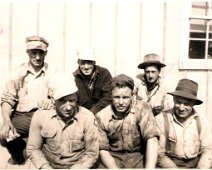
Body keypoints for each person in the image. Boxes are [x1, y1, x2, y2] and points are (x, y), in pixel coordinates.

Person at [26, 73, 99, 169]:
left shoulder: (87, 117)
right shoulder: (40, 116)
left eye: (72, 100)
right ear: (52, 100)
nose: (68, 107)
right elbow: (33, 149)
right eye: (62, 101)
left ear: (77, 97)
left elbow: (92, 153)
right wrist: (45, 167)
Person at [0, 36, 53, 165]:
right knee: (4, 136)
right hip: (23, 116)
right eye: (34, 53)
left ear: (45, 53)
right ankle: (20, 154)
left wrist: (52, 100)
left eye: (41, 53)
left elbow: (62, 95)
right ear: (27, 53)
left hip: (44, 115)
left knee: (55, 139)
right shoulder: (18, 72)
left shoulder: (52, 72)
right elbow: (8, 99)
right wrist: (6, 121)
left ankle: (36, 148)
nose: (38, 57)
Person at [96, 74, 159, 168]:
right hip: (112, 157)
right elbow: (102, 149)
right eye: (116, 97)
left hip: (137, 157)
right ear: (111, 96)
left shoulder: (143, 109)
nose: (121, 102)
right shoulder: (101, 116)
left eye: (125, 97)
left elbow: (152, 140)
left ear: (132, 95)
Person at [156, 79, 212, 168]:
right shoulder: (161, 119)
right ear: (174, 100)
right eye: (178, 102)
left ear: (193, 103)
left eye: (186, 104)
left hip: (196, 164)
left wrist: (201, 168)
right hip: (169, 165)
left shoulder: (201, 120)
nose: (181, 108)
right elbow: (159, 153)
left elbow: (208, 150)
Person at [73, 48, 112, 114]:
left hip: (103, 113)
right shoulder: (74, 78)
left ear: (94, 62)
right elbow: (73, 102)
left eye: (89, 62)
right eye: (83, 63)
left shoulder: (104, 74)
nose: (86, 67)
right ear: (78, 63)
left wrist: (92, 113)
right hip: (82, 115)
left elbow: (108, 97)